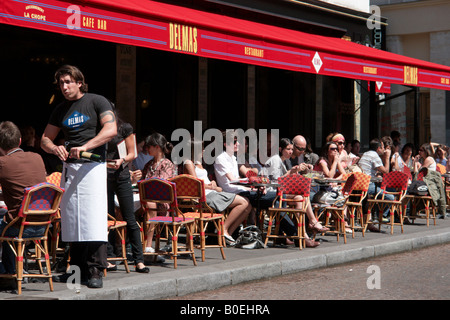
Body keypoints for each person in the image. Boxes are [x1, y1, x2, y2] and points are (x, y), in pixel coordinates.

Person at [40, 65, 117, 289]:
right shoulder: (60, 109)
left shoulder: (97, 101)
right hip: (70, 169)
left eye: (68, 82)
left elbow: (110, 130)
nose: (64, 87)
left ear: (79, 82)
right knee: (72, 220)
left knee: (92, 219)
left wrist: (85, 146)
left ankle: (95, 270)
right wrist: (55, 149)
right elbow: (45, 138)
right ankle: (77, 269)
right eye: (61, 83)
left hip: (93, 167)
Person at [183, 139, 252, 245]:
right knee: (244, 202)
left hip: (211, 192)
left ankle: (228, 232)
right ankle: (223, 229)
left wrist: (213, 184)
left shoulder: (199, 163)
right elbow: (196, 184)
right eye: (201, 149)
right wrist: (212, 187)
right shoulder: (188, 163)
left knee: (248, 206)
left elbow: (204, 181)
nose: (204, 151)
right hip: (204, 196)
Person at [0, 121, 47, 274]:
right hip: (44, 225)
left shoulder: (3, 162)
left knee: (5, 221)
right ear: (20, 140)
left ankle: (9, 270)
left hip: (19, 227)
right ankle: (14, 270)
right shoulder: (37, 157)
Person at [105, 113, 149, 273]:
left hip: (121, 174)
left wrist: (122, 161)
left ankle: (139, 260)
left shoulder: (124, 128)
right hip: (103, 174)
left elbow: (132, 153)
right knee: (107, 217)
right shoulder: (98, 129)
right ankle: (108, 257)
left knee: (129, 216)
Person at [265, 138, 328, 243]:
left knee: (301, 198)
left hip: (280, 192)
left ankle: (303, 235)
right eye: (288, 149)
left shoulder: (283, 161)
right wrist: (292, 172)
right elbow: (276, 182)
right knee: (304, 196)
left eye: (291, 149)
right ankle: (310, 225)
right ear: (280, 149)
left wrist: (295, 172)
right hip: (272, 192)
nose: (290, 152)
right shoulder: (276, 160)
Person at [140, 132, 176, 259]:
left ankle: (148, 245)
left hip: (161, 202)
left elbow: (162, 186)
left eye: (149, 146)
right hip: (145, 199)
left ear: (157, 147)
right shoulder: (148, 165)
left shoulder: (167, 164)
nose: (146, 149)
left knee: (150, 204)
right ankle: (123, 246)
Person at [358, 138, 394, 225]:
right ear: (378, 148)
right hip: (368, 185)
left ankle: (374, 217)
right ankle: (381, 216)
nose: (384, 149)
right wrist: (387, 157)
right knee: (391, 197)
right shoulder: (374, 156)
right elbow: (386, 171)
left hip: (361, 184)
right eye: (382, 147)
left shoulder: (366, 154)